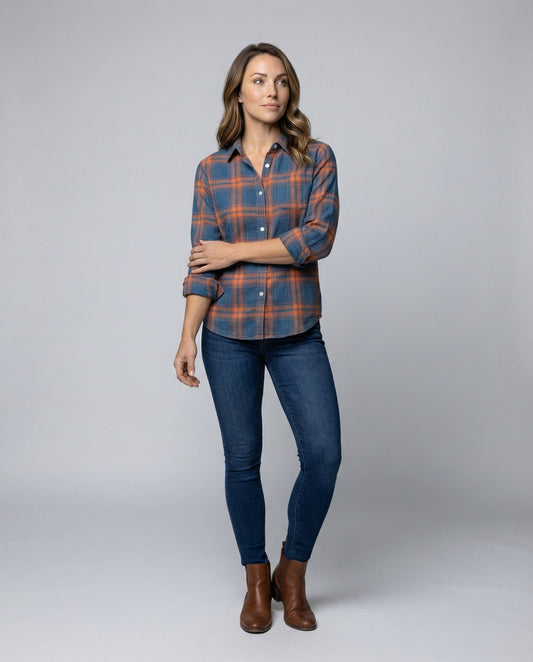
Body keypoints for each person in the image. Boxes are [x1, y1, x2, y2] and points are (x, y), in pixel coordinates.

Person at [174, 43, 341, 633]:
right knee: (242, 460)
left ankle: (292, 573)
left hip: (297, 330)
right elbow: (203, 265)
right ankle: (255, 577)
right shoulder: (210, 171)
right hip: (228, 335)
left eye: (282, 81)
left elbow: (316, 239)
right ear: (238, 93)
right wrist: (187, 335)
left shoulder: (316, 158)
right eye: (259, 80)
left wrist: (235, 252)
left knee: (323, 455)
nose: (272, 90)